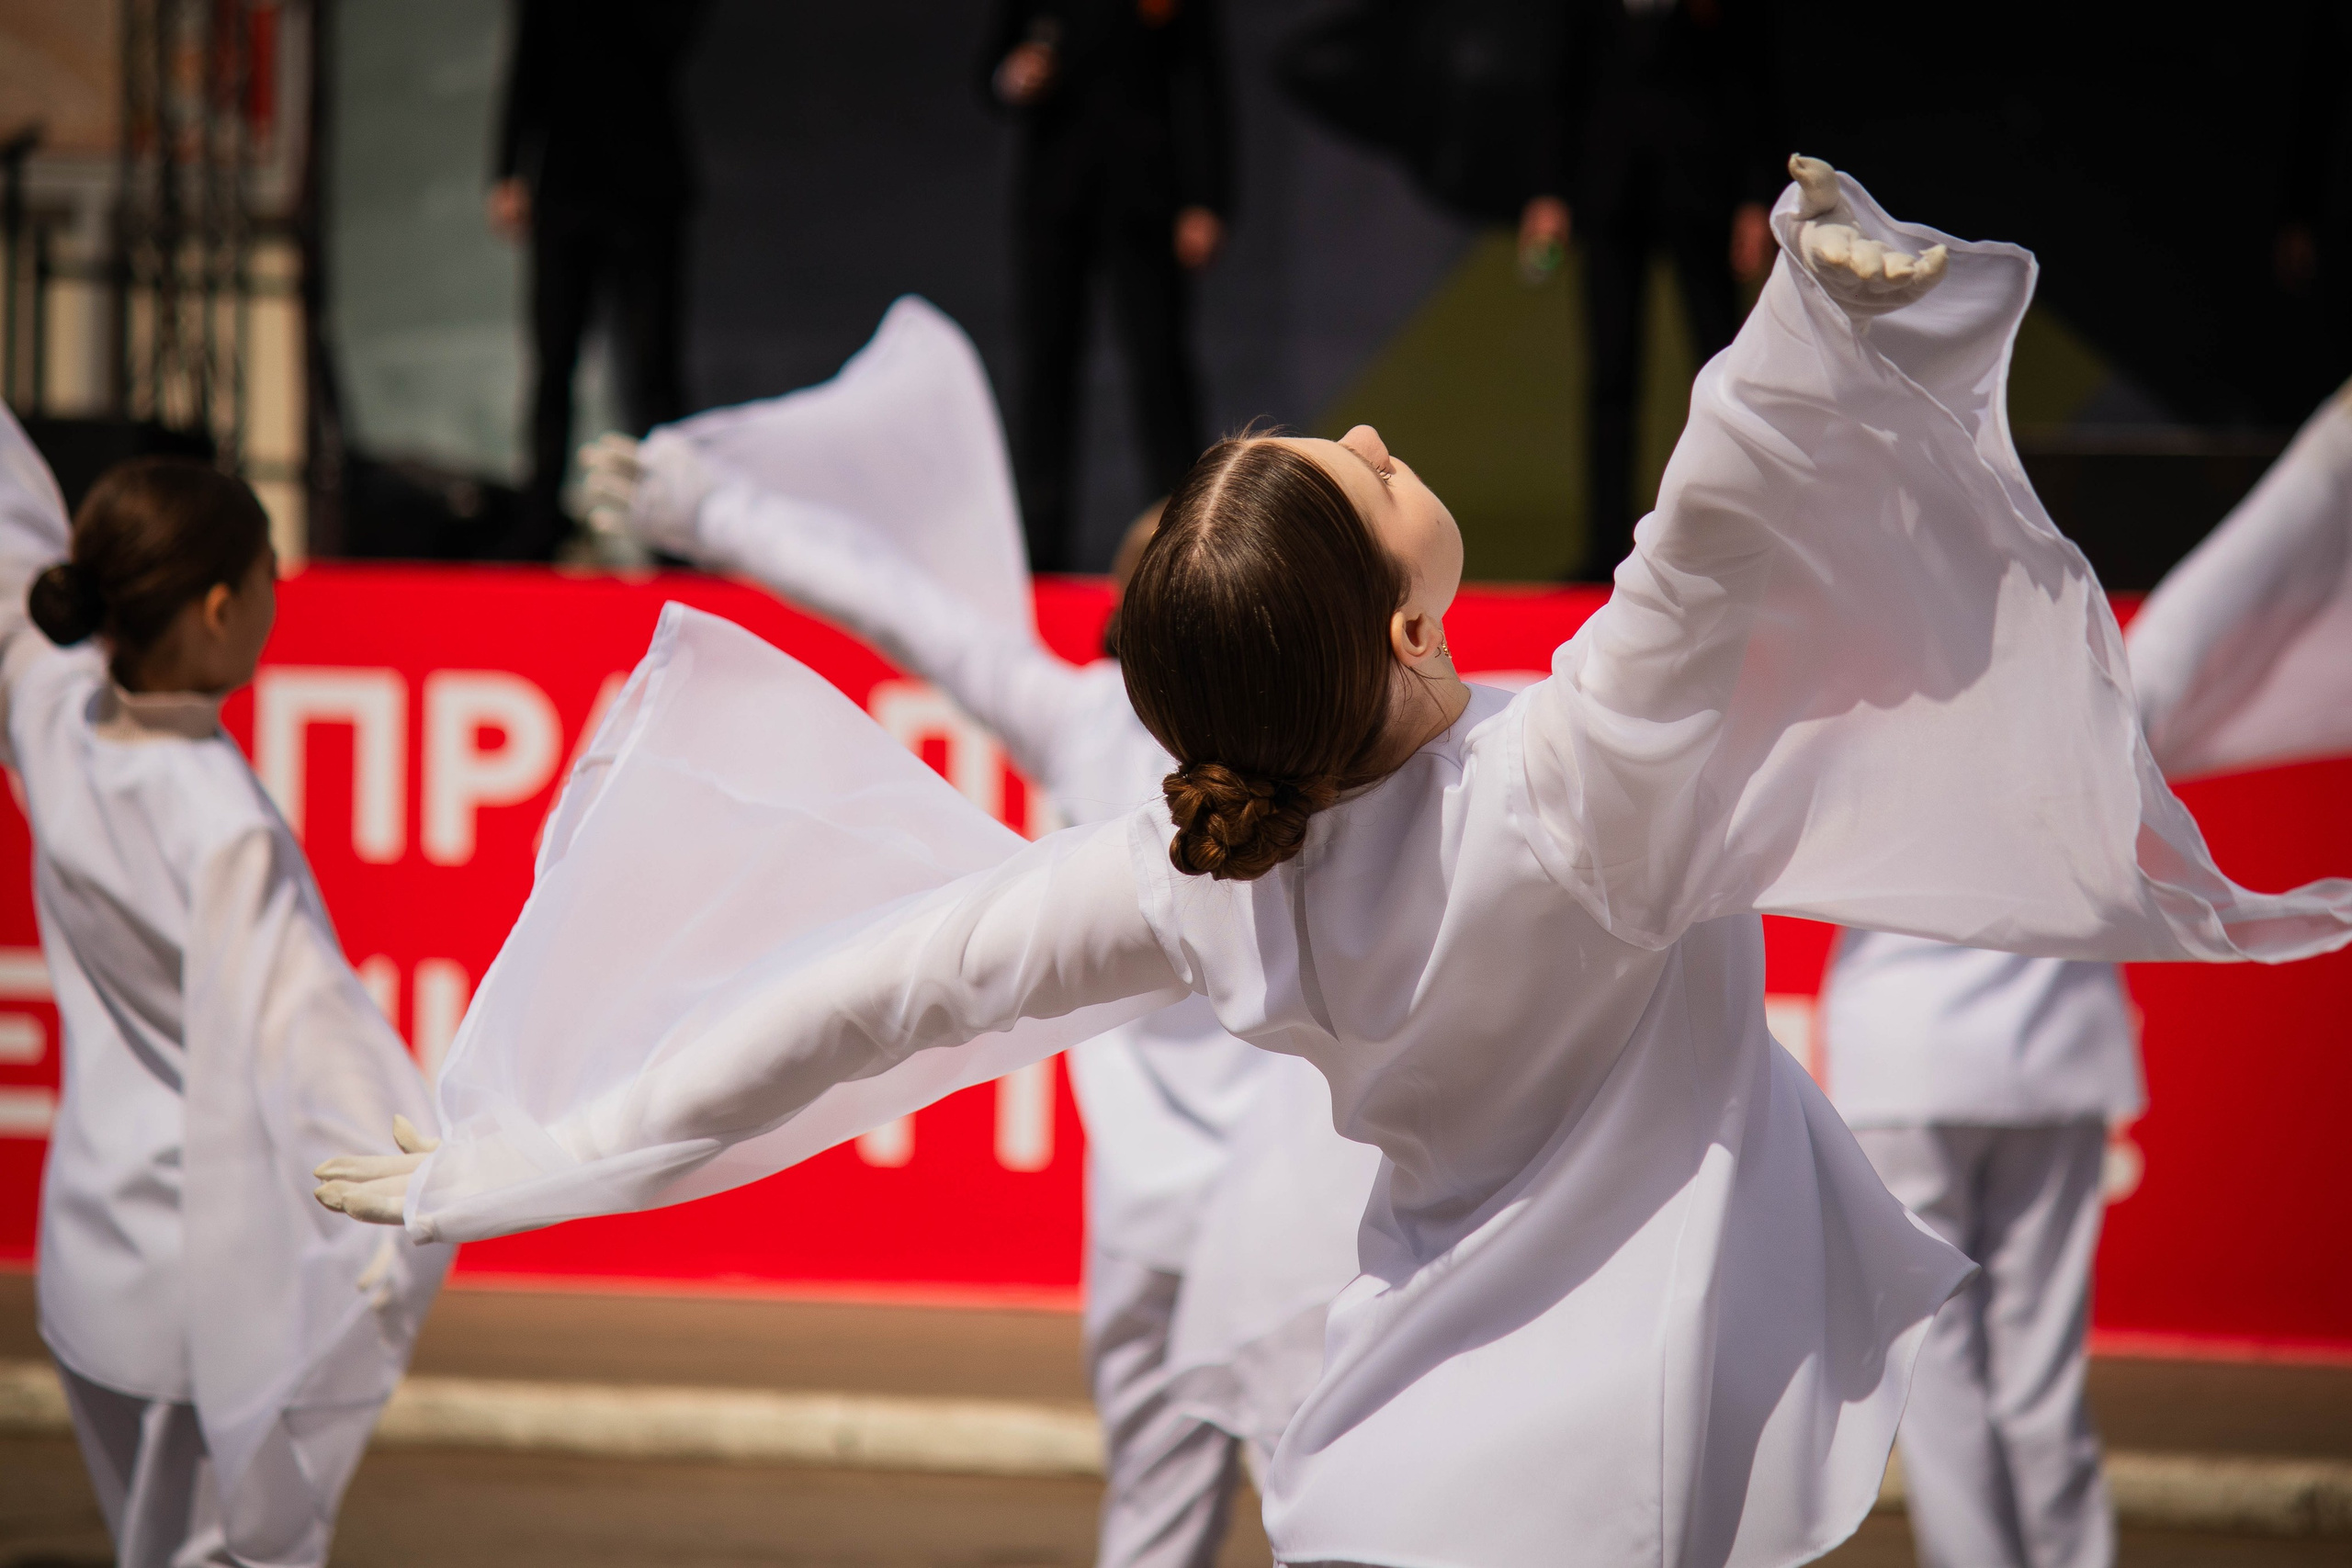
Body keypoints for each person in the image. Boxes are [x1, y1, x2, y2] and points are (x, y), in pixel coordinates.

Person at [319, 162, 2352, 1567]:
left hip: (1394, 1466)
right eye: (1358, 477)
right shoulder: (1576, 780)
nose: (1382, 443)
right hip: (1599, 1471)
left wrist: (530, 1156)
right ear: (1397, 631)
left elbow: (863, 997)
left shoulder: (1197, 873)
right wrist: (1809, 306)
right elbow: (1714, 520)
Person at [579, 295, 1381, 1568]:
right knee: (1327, 1511)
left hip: (1151, 1219)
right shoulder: (1339, 757)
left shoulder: (1085, 722)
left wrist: (704, 508)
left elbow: (900, 606)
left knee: (1154, 1521)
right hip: (1296, 1223)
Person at [1819, 378, 2352, 1568]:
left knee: (1943, 1371)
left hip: (1903, 1066)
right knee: (2037, 1370)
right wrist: (2328, 452)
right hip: (2047, 1065)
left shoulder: (1851, 696)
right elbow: (2218, 603)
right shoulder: (2096, 688)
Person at [0, 427, 447, 1568]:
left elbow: (11, 553)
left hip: (89, 1249)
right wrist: (428, 1181)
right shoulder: (219, 820)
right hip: (201, 1279)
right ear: (213, 610)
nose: (272, 606)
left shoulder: (56, 715)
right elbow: (310, 1031)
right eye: (263, 586)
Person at [1520, 0, 1783, 581]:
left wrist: (1755, 195)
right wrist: (1548, 192)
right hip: (1609, 188)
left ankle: (1735, 542)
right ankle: (1605, 552)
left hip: (1702, 189)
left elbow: (1752, 81)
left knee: (1723, 370)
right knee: (1610, 377)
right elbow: (1561, 84)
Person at [982, 0, 1233, 573]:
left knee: (1160, 372)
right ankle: (1040, 556)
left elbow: (1203, 78)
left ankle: (1191, 547)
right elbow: (993, 69)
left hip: (1147, 194)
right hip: (1054, 197)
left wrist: (1207, 198)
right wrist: (1015, 76)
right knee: (1046, 373)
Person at [488, 0, 707, 560]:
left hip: (645, 187)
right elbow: (529, 59)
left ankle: (671, 525)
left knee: (653, 371)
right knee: (553, 359)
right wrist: (509, 166)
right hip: (567, 185)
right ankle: (541, 517)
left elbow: (674, 35)